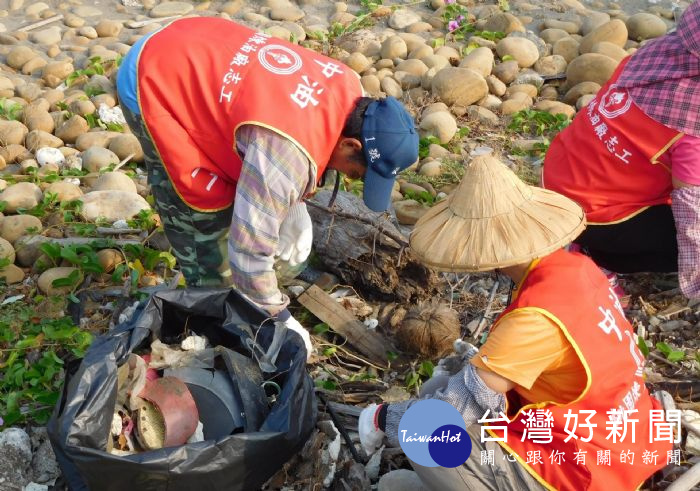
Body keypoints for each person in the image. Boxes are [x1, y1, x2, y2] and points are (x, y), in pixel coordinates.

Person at [359, 154, 671, 491]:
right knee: (440, 387)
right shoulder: (580, 268)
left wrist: (382, 418)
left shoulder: (533, 318)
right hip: (630, 432)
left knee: (421, 433)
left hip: (594, 468)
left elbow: (456, 410)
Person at [115, 17, 419, 356]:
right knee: (201, 214)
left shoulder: (351, 88)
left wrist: (296, 205)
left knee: (252, 193)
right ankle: (207, 301)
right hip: (154, 76)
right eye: (357, 173)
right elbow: (249, 253)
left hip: (202, 42)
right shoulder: (285, 156)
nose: (351, 179)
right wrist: (279, 317)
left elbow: (298, 132)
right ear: (351, 146)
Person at [542, 0, 700, 301]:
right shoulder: (691, 125)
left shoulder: (655, 57)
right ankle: (597, 258)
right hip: (595, 217)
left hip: (559, 178)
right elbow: (692, 214)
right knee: (682, 235)